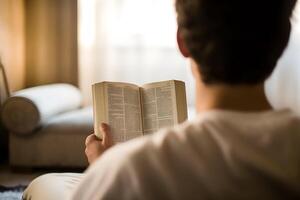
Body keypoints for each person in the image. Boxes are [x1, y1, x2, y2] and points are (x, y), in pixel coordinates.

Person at [23, 0, 300, 199]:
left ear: (182, 42)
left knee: (47, 186)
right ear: (284, 39)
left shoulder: (129, 170)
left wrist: (105, 168)